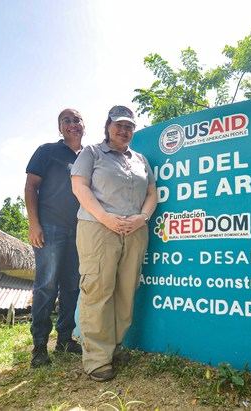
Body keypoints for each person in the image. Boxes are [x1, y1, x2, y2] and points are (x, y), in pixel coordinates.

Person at [71, 105, 157, 382]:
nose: (124, 130)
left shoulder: (141, 160)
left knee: (125, 291)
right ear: (108, 126)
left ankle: (113, 347)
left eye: (129, 126)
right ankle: (96, 359)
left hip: (134, 231)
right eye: (119, 125)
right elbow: (79, 187)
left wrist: (142, 218)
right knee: (98, 289)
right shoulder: (92, 153)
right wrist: (105, 217)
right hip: (98, 228)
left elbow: (152, 193)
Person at [25, 108, 84, 368]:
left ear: (85, 125)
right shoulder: (47, 151)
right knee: (46, 286)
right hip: (50, 228)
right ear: (59, 127)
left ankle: (64, 339)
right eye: (66, 120)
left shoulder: (89, 156)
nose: (73, 124)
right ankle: (39, 346)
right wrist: (34, 224)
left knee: (72, 287)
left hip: (81, 231)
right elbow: (30, 186)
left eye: (77, 119)